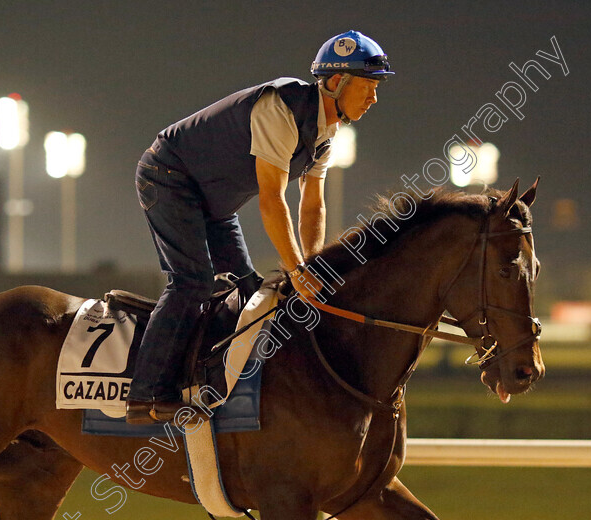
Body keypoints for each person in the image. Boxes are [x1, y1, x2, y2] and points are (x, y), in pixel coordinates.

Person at [126, 30, 394, 424]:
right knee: (192, 282)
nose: (374, 98)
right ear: (337, 82)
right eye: (368, 86)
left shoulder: (327, 131)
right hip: (168, 177)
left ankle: (207, 378)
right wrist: (295, 270)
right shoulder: (279, 110)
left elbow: (313, 203)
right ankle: (145, 392)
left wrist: (312, 265)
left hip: (213, 201)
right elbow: (272, 199)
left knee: (249, 292)